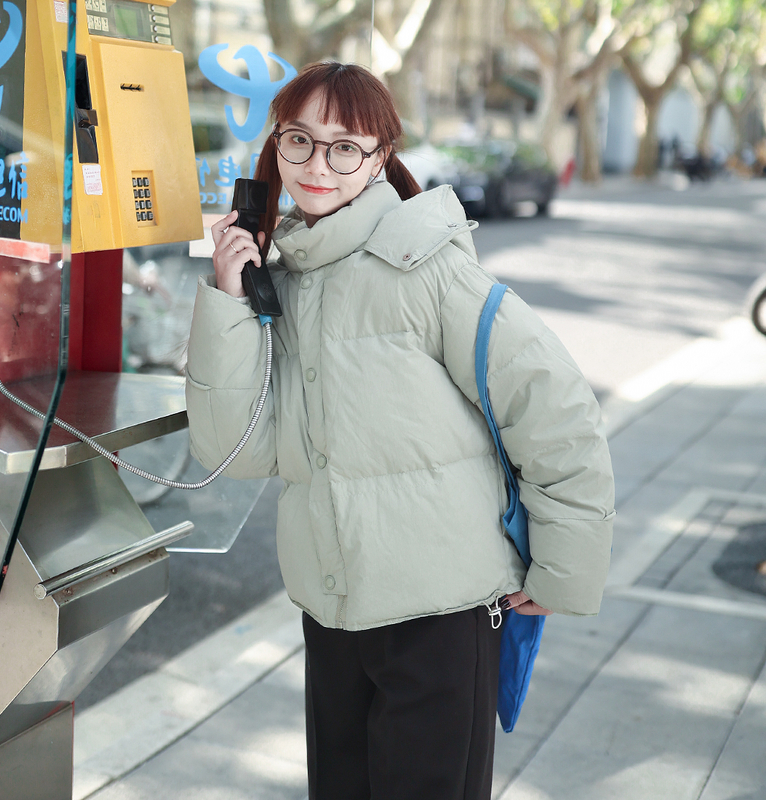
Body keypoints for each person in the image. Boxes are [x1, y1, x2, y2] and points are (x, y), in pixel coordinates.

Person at [186, 61, 615, 800]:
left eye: (344, 146)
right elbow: (239, 449)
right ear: (275, 148)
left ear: (380, 156)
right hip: (335, 611)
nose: (318, 165)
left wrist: (565, 568)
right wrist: (231, 302)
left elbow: (555, 408)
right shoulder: (282, 281)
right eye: (299, 141)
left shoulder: (428, 271)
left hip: (440, 618)